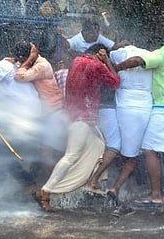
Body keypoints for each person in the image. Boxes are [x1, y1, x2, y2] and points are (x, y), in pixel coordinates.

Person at [32, 44, 120, 212]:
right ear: (100, 54)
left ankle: (91, 184)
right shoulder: (97, 65)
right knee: (71, 156)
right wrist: (107, 61)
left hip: (75, 116)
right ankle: (45, 191)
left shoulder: (76, 61)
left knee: (99, 146)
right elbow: (115, 83)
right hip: (83, 118)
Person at [113, 41, 164, 207]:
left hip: (163, 108)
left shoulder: (161, 54)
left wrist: (116, 68)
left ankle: (155, 194)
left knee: (149, 150)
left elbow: (138, 61)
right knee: (163, 150)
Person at [87, 45, 153, 204]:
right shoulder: (100, 68)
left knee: (124, 151)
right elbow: (115, 80)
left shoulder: (94, 66)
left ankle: (116, 186)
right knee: (118, 148)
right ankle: (97, 182)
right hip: (108, 110)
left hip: (110, 110)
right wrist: (110, 63)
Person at [0, 41, 42, 198]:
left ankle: (28, 184)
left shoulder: (4, 66)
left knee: (4, 155)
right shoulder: (19, 69)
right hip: (30, 120)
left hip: (19, 120)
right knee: (5, 153)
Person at [14, 41, 68, 153]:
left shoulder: (41, 65)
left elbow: (20, 76)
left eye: (23, 58)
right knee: (38, 152)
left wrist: (28, 60)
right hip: (46, 113)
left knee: (46, 153)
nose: (20, 61)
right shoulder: (33, 64)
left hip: (55, 113)